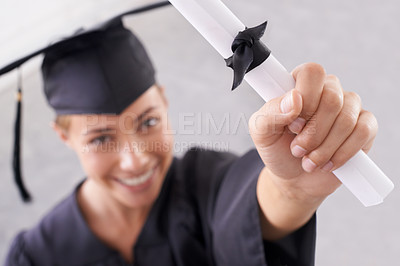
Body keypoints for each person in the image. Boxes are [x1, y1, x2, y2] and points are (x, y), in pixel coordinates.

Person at [2, 4, 377, 266]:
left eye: (148, 122)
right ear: (64, 136)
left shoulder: (204, 186)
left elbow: (250, 205)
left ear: (164, 102)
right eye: (100, 139)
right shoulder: (36, 258)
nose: (135, 159)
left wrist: (291, 190)